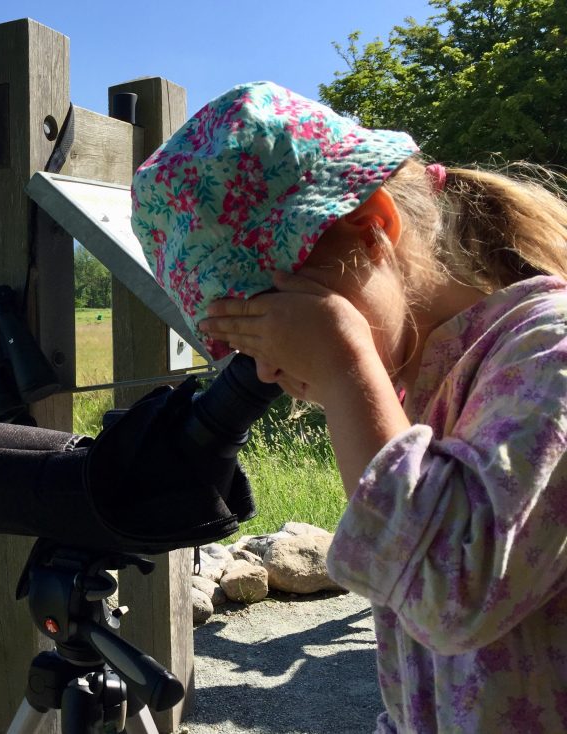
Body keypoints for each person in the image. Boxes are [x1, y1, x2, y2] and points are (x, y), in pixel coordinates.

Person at [131, 81, 567, 733]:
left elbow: (449, 593)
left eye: (286, 320)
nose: (269, 368)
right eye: (241, 344)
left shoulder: (547, 349)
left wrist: (342, 361)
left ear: (376, 226)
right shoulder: (416, 382)